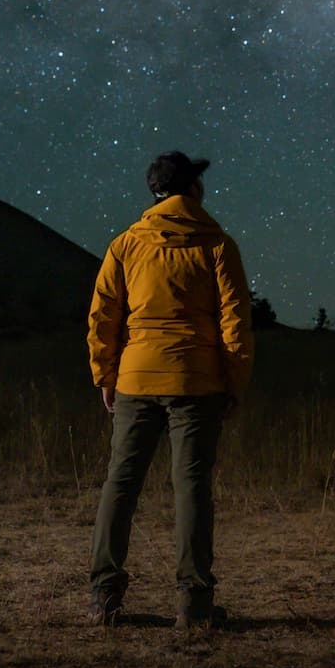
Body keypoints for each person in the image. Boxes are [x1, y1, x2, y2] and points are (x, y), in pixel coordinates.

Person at [86, 150, 254, 631]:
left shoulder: (126, 245)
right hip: (196, 383)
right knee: (193, 488)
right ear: (194, 190)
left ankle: (104, 598)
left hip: (136, 378)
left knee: (121, 484)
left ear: (155, 192)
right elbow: (235, 323)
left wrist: (106, 375)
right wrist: (234, 381)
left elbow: (103, 317)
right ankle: (194, 604)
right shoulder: (218, 246)